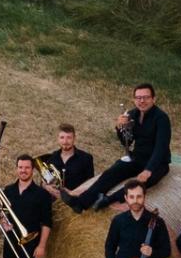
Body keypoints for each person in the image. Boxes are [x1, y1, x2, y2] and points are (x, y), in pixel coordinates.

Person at [68, 84, 172, 212]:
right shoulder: (132, 114)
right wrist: (119, 127)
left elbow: (161, 147)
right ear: (134, 99)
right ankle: (81, 202)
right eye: (138, 98)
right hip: (137, 158)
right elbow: (126, 141)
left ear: (153, 99)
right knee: (111, 172)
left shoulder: (161, 118)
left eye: (146, 97)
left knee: (139, 184)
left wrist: (148, 170)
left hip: (158, 163)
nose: (142, 101)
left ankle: (107, 200)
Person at [39, 124, 95, 202]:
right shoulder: (52, 158)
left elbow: (91, 183)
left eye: (69, 138)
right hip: (53, 201)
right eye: (62, 137)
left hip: (75, 201)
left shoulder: (86, 158)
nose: (65, 141)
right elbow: (44, 181)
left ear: (74, 139)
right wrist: (47, 187)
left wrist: (73, 193)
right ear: (58, 139)